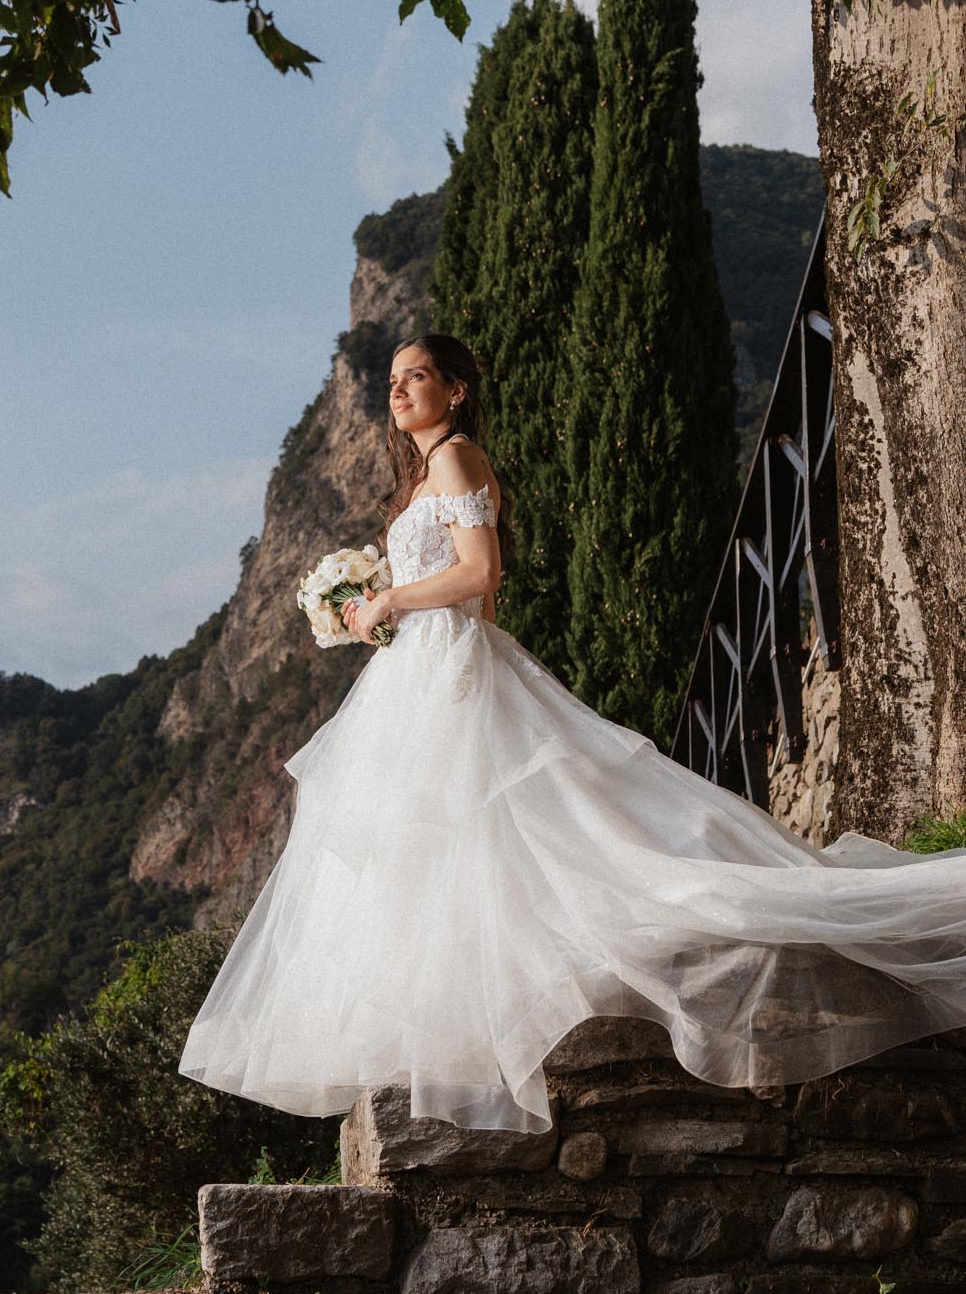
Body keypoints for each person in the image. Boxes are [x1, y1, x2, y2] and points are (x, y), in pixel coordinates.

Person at [178, 331, 966, 1135]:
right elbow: (470, 597)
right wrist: (390, 620)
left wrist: (390, 604)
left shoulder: (454, 456)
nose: (398, 389)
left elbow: (481, 575)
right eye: (392, 379)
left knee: (485, 824)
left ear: (455, 390)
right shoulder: (427, 474)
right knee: (445, 838)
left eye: (417, 376)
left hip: (443, 664)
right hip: (425, 665)